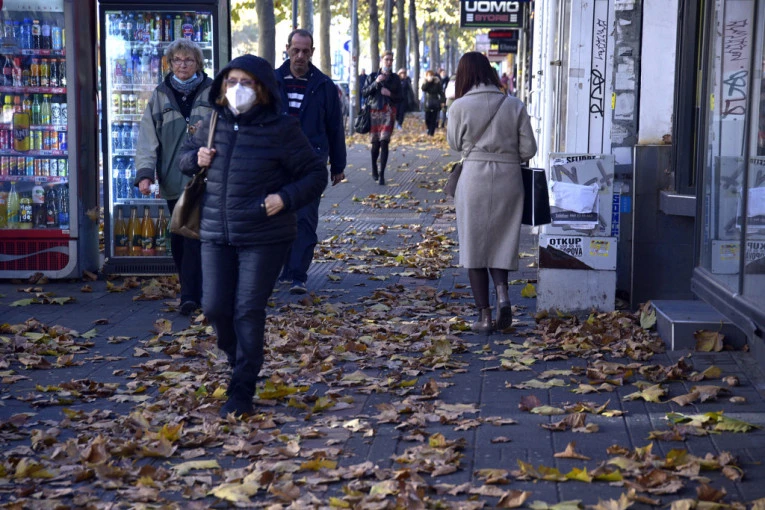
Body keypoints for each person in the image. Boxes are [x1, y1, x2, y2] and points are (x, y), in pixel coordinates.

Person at [178, 55, 327, 417]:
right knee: (214, 307)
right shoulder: (211, 122)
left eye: (246, 83)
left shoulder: (282, 128)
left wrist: (284, 198)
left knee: (247, 310)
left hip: (265, 235)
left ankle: (242, 388)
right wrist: (195, 159)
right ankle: (239, 360)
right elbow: (183, 158)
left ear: (261, 89)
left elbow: (314, 174)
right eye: (231, 82)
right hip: (215, 233)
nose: (237, 89)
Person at [446, 52, 537, 334]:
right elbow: (529, 150)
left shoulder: (459, 106)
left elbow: (454, 144)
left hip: (473, 178)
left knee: (474, 246)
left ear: (464, 75)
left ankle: (484, 317)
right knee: (502, 240)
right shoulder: (514, 104)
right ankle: (503, 294)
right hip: (509, 179)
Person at [134, 39, 213, 317]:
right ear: (169, 64)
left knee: (195, 236)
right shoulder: (160, 95)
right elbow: (147, 139)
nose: (182, 65)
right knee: (180, 237)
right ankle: (191, 289)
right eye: (177, 60)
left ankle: (191, 296)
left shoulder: (213, 91)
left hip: (205, 178)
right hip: (172, 178)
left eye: (188, 60)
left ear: (198, 63)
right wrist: (145, 174)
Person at [275, 29, 347, 295]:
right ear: (287, 49)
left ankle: (298, 274)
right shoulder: (271, 82)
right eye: (295, 50)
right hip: (276, 163)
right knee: (279, 217)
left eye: (305, 51)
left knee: (305, 219)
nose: (300, 56)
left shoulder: (324, 86)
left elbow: (335, 127)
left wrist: (338, 166)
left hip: (310, 164)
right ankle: (283, 269)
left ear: (312, 52)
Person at [362, 51, 402, 186]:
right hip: (374, 112)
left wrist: (390, 93)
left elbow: (401, 97)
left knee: (384, 142)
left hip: (388, 113)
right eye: (387, 59)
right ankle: (374, 167)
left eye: (391, 60)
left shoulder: (395, 78)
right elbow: (364, 92)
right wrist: (376, 82)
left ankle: (382, 174)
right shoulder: (372, 76)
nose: (389, 62)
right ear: (381, 60)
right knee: (375, 144)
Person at [421, 70, 443, 136]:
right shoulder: (425, 82)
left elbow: (441, 92)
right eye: (429, 75)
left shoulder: (437, 82)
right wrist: (428, 82)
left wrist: (442, 101)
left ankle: (431, 132)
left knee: (433, 118)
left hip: (435, 101)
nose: (430, 77)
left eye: (431, 75)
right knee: (427, 118)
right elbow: (423, 88)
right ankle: (428, 128)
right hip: (427, 102)